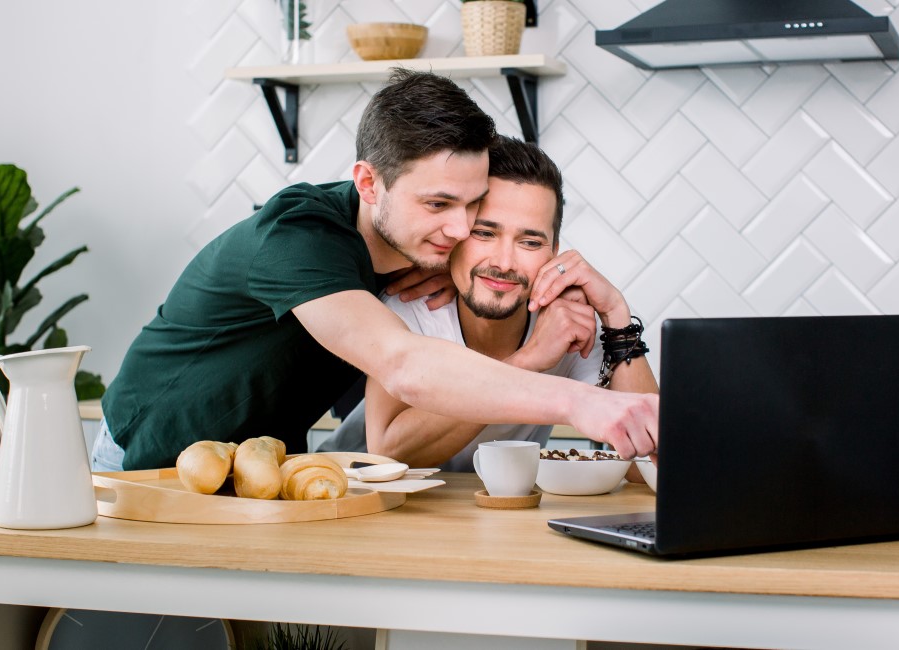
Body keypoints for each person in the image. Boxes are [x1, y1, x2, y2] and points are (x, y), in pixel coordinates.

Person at [93, 69, 658, 472]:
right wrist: (578, 401)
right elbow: (405, 367)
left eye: (472, 207)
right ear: (368, 184)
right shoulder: (297, 238)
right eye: (439, 206)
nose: (463, 232)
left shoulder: (415, 255)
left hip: (260, 465)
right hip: (151, 453)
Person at [320, 136, 658, 471]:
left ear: (554, 253)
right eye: (484, 233)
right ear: (456, 233)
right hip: (351, 493)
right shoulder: (412, 306)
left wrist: (616, 314)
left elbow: (649, 467)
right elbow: (388, 451)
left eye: (529, 241)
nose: (504, 261)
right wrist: (529, 360)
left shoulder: (566, 322)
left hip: (486, 513)